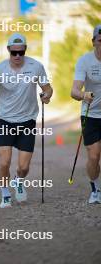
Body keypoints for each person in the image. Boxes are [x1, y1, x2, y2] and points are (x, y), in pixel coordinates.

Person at [0, 33, 53, 208]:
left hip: (27, 121)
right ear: (8, 51)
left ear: (25, 50)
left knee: (23, 168)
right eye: (14, 53)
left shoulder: (36, 66)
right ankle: (5, 194)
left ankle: (18, 180)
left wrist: (46, 95)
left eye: (21, 52)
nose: (18, 56)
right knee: (4, 162)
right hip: (5, 121)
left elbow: (48, 88)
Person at [71, 25, 101, 204]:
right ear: (93, 42)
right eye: (100, 40)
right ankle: (95, 188)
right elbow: (74, 90)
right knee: (94, 156)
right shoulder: (85, 61)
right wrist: (84, 94)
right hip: (91, 114)